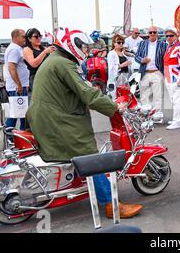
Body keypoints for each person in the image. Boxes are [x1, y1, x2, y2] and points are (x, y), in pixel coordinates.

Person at [26, 27, 142, 219]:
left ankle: (86, 186)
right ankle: (110, 204)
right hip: (56, 120)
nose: (86, 51)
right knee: (90, 155)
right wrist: (114, 107)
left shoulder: (56, 60)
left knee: (84, 150)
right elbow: (88, 94)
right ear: (74, 46)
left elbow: (80, 89)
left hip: (49, 116)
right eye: (84, 47)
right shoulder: (63, 64)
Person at [134, 26, 167, 122]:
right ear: (148, 34)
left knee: (157, 95)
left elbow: (167, 58)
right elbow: (136, 57)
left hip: (157, 72)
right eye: (150, 32)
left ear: (157, 34)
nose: (152, 34)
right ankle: (146, 116)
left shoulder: (163, 44)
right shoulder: (142, 43)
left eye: (154, 32)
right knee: (144, 96)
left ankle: (156, 116)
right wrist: (142, 60)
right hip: (145, 72)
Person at [163, 27, 180, 130]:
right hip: (168, 78)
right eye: (167, 36)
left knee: (177, 100)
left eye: (171, 35)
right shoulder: (169, 47)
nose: (169, 38)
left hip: (176, 79)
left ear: (176, 36)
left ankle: (177, 121)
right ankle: (179, 119)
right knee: (174, 100)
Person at [4, 29, 29, 131]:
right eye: (23, 36)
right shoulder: (14, 49)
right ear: (15, 37)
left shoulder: (17, 48)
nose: (25, 39)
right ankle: (9, 137)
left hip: (20, 86)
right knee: (16, 114)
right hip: (17, 87)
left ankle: (21, 137)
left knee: (22, 113)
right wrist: (18, 84)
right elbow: (11, 67)